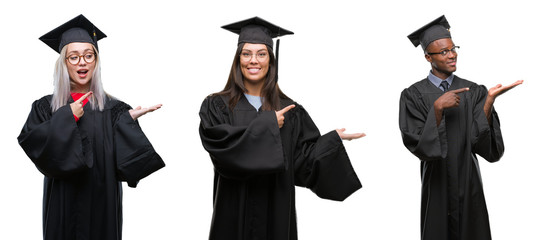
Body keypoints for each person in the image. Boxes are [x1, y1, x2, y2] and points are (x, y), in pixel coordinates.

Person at [199, 16, 365, 240]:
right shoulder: (217, 105)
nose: (253, 60)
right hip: (233, 209)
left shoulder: (290, 110)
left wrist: (331, 141)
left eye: (261, 54)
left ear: (270, 59)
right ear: (238, 60)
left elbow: (302, 164)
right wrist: (268, 125)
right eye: (246, 54)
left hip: (276, 209)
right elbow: (222, 152)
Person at [17, 14, 165, 240]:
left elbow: (127, 164)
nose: (82, 62)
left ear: (96, 61)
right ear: (63, 63)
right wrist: (67, 117)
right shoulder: (46, 107)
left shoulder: (114, 109)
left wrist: (127, 121)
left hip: (102, 203)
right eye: (73, 57)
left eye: (88, 55)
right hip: (62, 203)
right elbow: (33, 144)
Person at [399, 15, 523, 240]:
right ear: (428, 57)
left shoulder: (473, 90)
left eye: (453, 48)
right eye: (444, 51)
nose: (452, 54)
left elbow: (481, 143)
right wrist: (437, 108)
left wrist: (488, 101)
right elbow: (417, 144)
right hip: (436, 184)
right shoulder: (413, 95)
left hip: (469, 181)